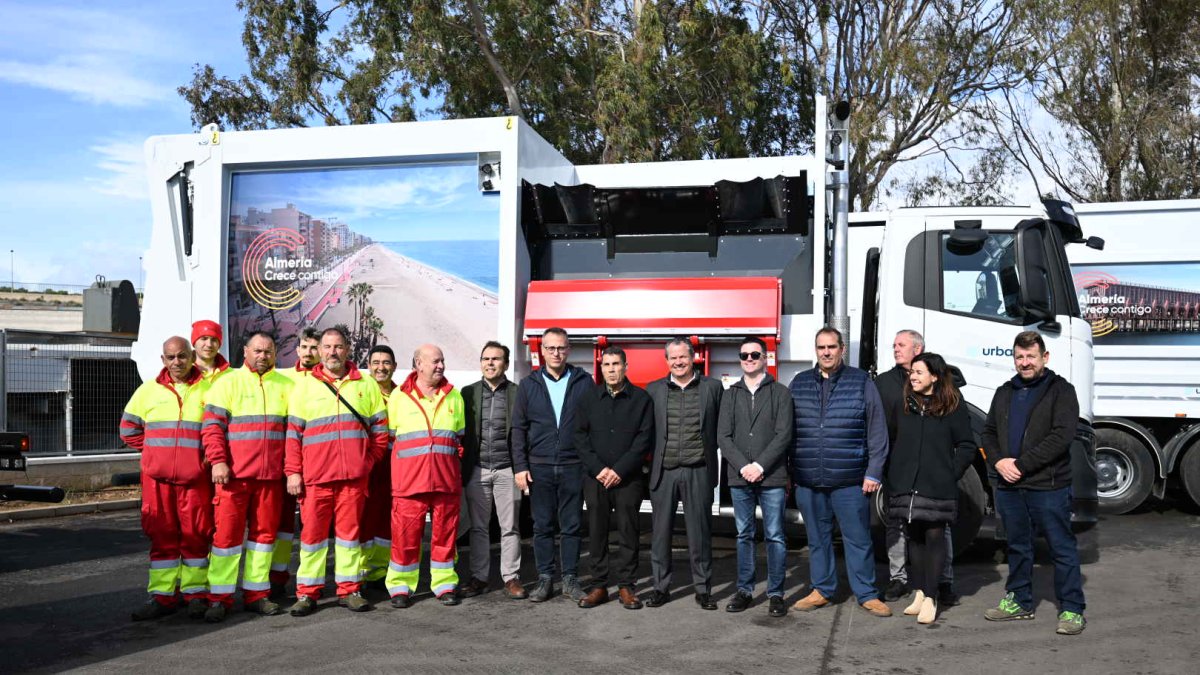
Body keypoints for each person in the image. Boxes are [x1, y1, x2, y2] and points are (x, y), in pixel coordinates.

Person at [981, 331, 1087, 635]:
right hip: (1010, 486)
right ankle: (1019, 600)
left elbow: (1061, 437)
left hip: (1048, 486)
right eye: (1020, 357)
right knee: (1017, 545)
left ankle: (1072, 608)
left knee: (1061, 547)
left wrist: (1021, 465)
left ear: (1045, 358)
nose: (1025, 362)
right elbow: (988, 433)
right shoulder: (1004, 392)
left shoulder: (1061, 391)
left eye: (1031, 356)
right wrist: (999, 462)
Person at [788, 327, 892, 618]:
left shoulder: (861, 382)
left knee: (858, 539)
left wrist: (874, 472)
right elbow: (786, 430)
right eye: (821, 347)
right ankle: (822, 589)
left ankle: (867, 593)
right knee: (817, 539)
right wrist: (788, 472)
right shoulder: (799, 383)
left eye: (831, 347)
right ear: (816, 350)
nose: (826, 352)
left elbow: (877, 429)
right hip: (809, 478)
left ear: (842, 349)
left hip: (850, 480)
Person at [284, 328, 389, 616]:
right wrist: (293, 472)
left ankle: (349, 590)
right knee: (312, 539)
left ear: (347, 349)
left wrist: (366, 463)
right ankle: (307, 593)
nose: (333, 352)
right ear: (319, 350)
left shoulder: (366, 385)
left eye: (338, 346)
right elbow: (293, 435)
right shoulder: (304, 387)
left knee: (349, 538)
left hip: (353, 479)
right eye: (327, 347)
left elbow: (381, 432)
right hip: (315, 479)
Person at [200, 332, 294, 622]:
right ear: (245, 351)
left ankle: (257, 594)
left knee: (263, 540)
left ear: (275, 354)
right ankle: (219, 598)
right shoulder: (227, 383)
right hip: (234, 478)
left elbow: (294, 434)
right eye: (257, 350)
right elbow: (212, 428)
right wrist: (218, 462)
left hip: (270, 479)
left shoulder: (287, 386)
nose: (262, 356)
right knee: (226, 539)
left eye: (268, 351)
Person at [121, 337, 214, 621]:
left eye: (182, 356)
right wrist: (154, 453)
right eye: (171, 357)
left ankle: (195, 594)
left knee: (197, 535)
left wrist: (201, 460)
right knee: (162, 536)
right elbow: (128, 430)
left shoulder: (210, 389)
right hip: (157, 481)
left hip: (195, 479)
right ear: (163, 360)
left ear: (192, 357)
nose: (177, 362)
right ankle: (162, 597)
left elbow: (220, 431)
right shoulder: (147, 391)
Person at [885, 353, 976, 624]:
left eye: (919, 372)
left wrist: (950, 474)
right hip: (906, 484)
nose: (912, 377)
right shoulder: (903, 404)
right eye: (911, 372)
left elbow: (967, 445)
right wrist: (894, 471)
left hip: (937, 485)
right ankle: (920, 592)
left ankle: (932, 597)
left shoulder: (953, 405)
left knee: (935, 537)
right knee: (914, 538)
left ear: (934, 376)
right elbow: (891, 439)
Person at [876, 329, 959, 605]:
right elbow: (882, 427)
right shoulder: (883, 383)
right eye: (894, 344)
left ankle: (942, 581)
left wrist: (949, 471)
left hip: (931, 475)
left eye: (902, 344)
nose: (896, 349)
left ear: (918, 349)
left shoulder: (944, 381)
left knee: (938, 527)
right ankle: (899, 579)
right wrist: (886, 465)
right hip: (898, 470)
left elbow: (960, 438)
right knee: (897, 525)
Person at [512, 327, 593, 603]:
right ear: (542, 351)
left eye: (561, 347)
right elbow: (518, 428)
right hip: (540, 467)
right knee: (542, 526)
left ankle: (570, 578)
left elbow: (593, 425)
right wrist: (520, 466)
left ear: (568, 350)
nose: (556, 353)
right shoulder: (528, 385)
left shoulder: (584, 382)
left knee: (572, 525)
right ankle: (545, 578)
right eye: (550, 348)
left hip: (573, 465)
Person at [644, 338, 724, 610]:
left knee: (699, 534)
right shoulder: (653, 389)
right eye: (673, 358)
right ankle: (660, 588)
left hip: (698, 470)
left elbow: (722, 428)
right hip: (664, 472)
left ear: (693, 358)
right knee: (660, 535)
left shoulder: (712, 388)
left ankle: (703, 589)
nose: (678, 362)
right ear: (666, 361)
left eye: (683, 357)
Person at [717, 337, 793, 618]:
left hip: (771, 476)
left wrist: (759, 466)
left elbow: (784, 435)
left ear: (765, 358)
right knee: (744, 535)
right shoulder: (730, 394)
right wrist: (743, 466)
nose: (749, 359)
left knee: (775, 536)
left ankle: (776, 594)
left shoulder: (781, 393)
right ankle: (745, 590)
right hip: (740, 478)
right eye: (744, 355)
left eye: (754, 354)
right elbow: (723, 436)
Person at [386, 344, 466, 607]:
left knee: (445, 537)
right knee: (405, 538)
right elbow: (390, 441)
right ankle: (400, 587)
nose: (441, 366)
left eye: (442, 360)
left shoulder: (454, 396)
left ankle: (444, 584)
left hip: (445, 482)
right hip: (409, 484)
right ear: (419, 364)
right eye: (435, 361)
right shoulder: (399, 397)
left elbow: (460, 440)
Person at [574, 346, 654, 610]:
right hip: (595, 477)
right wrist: (599, 469)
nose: (611, 369)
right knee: (597, 531)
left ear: (625, 367)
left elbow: (644, 440)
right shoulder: (588, 398)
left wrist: (619, 470)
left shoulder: (641, 399)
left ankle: (626, 586)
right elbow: (580, 437)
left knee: (628, 531)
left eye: (616, 364)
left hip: (628, 478)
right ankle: (598, 586)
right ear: (601, 368)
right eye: (606, 364)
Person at [460, 341, 525, 599]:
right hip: (478, 470)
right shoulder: (468, 392)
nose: (490, 363)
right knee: (478, 527)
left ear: (506, 364)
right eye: (485, 358)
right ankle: (480, 577)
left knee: (510, 527)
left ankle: (511, 577)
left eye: (495, 359)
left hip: (508, 469)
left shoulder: (518, 392)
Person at [270, 326, 321, 598]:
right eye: (305, 347)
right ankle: (277, 576)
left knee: (314, 527)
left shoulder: (328, 381)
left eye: (314, 347)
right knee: (282, 524)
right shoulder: (283, 379)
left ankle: (314, 580)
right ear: (297, 349)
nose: (309, 352)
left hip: (316, 464)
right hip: (285, 463)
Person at [359, 344, 398, 589]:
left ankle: (381, 570)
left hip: (394, 465)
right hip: (367, 464)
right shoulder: (359, 392)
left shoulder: (402, 395)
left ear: (394, 366)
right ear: (368, 366)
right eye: (376, 362)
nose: (381, 367)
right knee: (363, 518)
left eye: (386, 363)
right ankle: (360, 571)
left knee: (387, 519)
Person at [191, 319, 230, 385]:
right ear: (194, 343)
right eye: (204, 339)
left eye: (214, 340)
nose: (209, 344)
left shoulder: (230, 374)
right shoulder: (183, 373)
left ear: (219, 344)